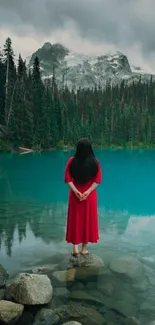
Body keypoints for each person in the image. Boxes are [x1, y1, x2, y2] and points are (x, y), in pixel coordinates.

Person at [64, 138, 102, 256]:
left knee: (75, 220)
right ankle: (84, 249)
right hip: (89, 196)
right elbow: (98, 179)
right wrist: (88, 191)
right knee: (87, 220)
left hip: (76, 196)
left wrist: (76, 191)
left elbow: (67, 178)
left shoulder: (71, 161)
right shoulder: (95, 162)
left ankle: (75, 248)